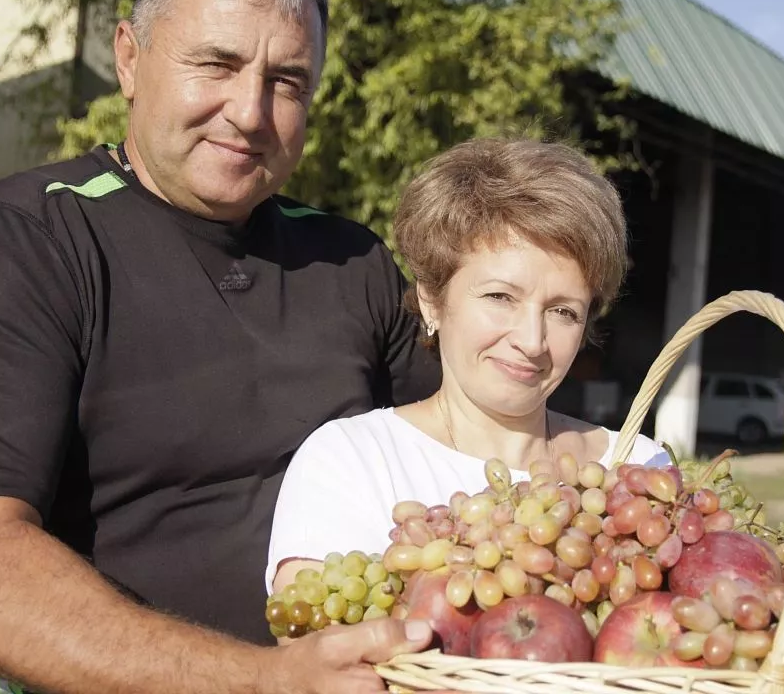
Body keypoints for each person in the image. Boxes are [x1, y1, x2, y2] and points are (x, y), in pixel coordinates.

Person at [0, 0, 443, 694]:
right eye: (215, 64)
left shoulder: (354, 261)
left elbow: (471, 468)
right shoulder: (22, 244)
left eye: (287, 81)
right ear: (130, 57)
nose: (249, 111)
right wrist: (261, 683)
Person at [267, 137, 670, 595]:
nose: (531, 341)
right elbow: (314, 651)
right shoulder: (354, 461)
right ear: (431, 300)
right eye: (500, 297)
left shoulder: (637, 466)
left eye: (563, 311)